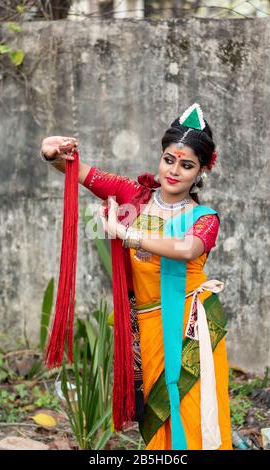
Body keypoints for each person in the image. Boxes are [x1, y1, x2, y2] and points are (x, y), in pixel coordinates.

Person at [40, 103, 233, 450]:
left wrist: (125, 234)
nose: (174, 171)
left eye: (186, 165)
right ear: (160, 158)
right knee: (156, 417)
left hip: (190, 329)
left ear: (201, 171)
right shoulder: (135, 198)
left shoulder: (204, 217)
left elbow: (188, 248)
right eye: (169, 160)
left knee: (192, 414)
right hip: (144, 329)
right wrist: (53, 153)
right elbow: (80, 172)